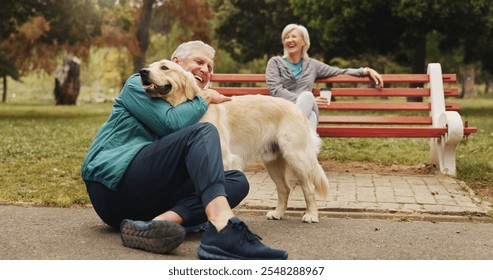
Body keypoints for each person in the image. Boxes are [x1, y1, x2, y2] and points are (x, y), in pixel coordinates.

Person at [81, 40, 288, 260]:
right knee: (203, 132)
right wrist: (203, 98)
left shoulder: (190, 107)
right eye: (199, 61)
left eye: (209, 67)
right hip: (112, 187)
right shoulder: (141, 83)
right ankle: (223, 228)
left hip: (147, 201)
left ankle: (157, 224)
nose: (205, 70)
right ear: (176, 63)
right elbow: (169, 124)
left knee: (236, 181)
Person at [266, 23, 384, 130]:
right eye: (286, 37)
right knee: (310, 110)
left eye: (293, 36)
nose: (289, 40)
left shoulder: (312, 64)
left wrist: (366, 70)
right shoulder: (275, 62)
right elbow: (276, 91)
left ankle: (290, 140)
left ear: (303, 41)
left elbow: (339, 71)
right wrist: (307, 101)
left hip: (296, 119)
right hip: (284, 112)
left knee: (308, 100)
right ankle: (306, 152)